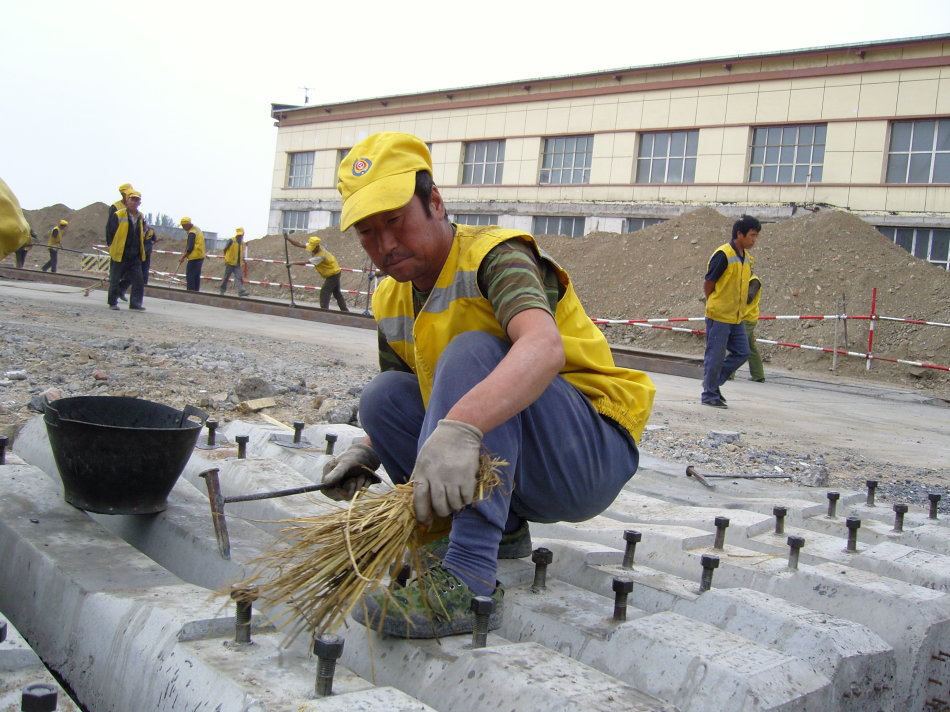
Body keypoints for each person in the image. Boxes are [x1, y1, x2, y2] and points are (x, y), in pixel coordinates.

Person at [320, 132, 656, 638]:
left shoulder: (496, 257)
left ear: (435, 202)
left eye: (395, 221)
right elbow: (415, 390)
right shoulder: (390, 298)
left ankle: (470, 575)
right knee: (382, 397)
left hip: (584, 450)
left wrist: (462, 427)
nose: (385, 245)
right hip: (517, 459)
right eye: (367, 233)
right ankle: (500, 531)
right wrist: (367, 449)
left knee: (474, 350)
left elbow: (542, 348)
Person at [701, 214, 761, 408]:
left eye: (756, 236)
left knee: (742, 352)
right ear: (739, 234)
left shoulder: (747, 258)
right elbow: (709, 283)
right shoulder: (723, 254)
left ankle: (713, 384)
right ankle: (709, 394)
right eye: (752, 235)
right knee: (715, 356)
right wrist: (714, 302)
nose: (754, 240)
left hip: (737, 317)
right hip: (719, 315)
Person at [105, 189, 147, 311]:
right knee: (115, 278)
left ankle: (135, 303)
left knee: (138, 280)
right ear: (127, 201)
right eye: (132, 200)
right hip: (120, 252)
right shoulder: (118, 215)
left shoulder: (140, 216)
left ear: (139, 203)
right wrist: (112, 246)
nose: (134, 202)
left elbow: (142, 233)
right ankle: (112, 302)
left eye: (136, 200)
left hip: (135, 254)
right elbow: (110, 231)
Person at [285, 234, 349, 311]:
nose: (311, 250)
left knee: (324, 292)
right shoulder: (314, 246)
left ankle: (324, 310)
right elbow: (299, 244)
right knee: (337, 293)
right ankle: (345, 310)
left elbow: (305, 263)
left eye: (313, 249)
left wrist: (292, 263)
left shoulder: (321, 256)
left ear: (317, 246)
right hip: (335, 272)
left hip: (333, 274)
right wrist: (288, 238)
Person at [0, 177, 31, 264]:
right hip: (19, 239)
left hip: (20, 242)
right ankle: (19, 266)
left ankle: (19, 267)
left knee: (20, 257)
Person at [742, 275, 765, 382]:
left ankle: (728, 373)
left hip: (748, 318)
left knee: (736, 343)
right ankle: (758, 375)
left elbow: (749, 298)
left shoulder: (754, 281)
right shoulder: (745, 279)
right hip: (742, 317)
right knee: (751, 347)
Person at [177, 217, 205, 291]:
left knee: (190, 276)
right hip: (200, 255)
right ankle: (196, 292)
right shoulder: (197, 229)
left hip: (194, 257)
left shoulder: (192, 233)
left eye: (183, 226)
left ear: (187, 225)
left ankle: (190, 292)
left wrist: (183, 257)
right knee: (196, 276)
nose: (183, 228)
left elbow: (190, 248)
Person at [220, 227, 249, 296]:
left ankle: (241, 291)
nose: (240, 236)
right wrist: (227, 257)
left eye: (241, 235)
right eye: (239, 235)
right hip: (229, 262)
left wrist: (242, 258)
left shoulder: (242, 243)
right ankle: (222, 291)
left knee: (239, 277)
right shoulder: (231, 240)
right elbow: (225, 249)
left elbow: (240, 252)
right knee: (226, 277)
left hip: (237, 264)